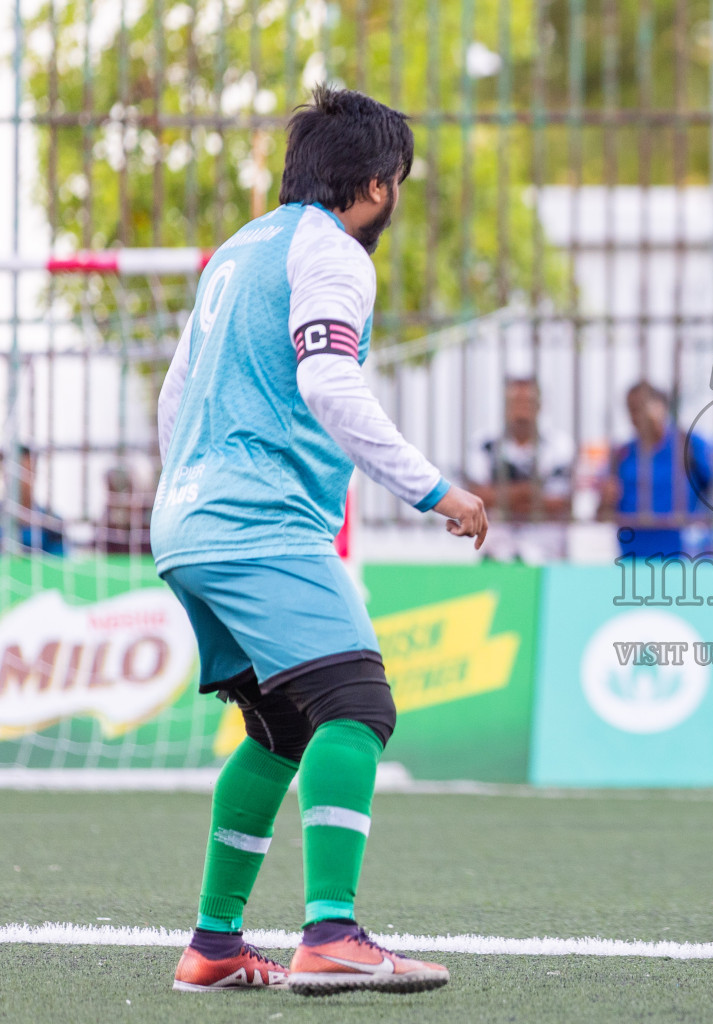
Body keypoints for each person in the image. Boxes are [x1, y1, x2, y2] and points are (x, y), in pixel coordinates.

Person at [152, 85, 486, 996]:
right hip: (256, 520)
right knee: (358, 704)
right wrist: (435, 490)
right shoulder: (332, 254)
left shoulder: (240, 249)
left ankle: (214, 946)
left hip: (186, 517)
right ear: (376, 185)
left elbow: (174, 397)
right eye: (401, 186)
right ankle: (331, 933)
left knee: (280, 726)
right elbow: (331, 384)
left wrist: (186, 498)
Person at [602, 381, 713, 559]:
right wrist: (606, 500)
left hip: (688, 562)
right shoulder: (621, 454)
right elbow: (602, 513)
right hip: (636, 562)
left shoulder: (690, 445)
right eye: (631, 410)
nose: (636, 416)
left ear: (662, 406)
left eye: (641, 407)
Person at [467, 376, 574, 563]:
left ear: (540, 406)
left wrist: (501, 496)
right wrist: (528, 493)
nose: (522, 409)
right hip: (495, 551)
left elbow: (560, 503)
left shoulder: (560, 446)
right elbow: (475, 498)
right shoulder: (484, 443)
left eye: (528, 402)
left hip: (546, 553)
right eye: (516, 402)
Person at [1, 444, 67, 556]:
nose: (18, 482)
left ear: (33, 474)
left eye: (23, 473)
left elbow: (59, 563)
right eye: (11, 474)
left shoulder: (51, 523)